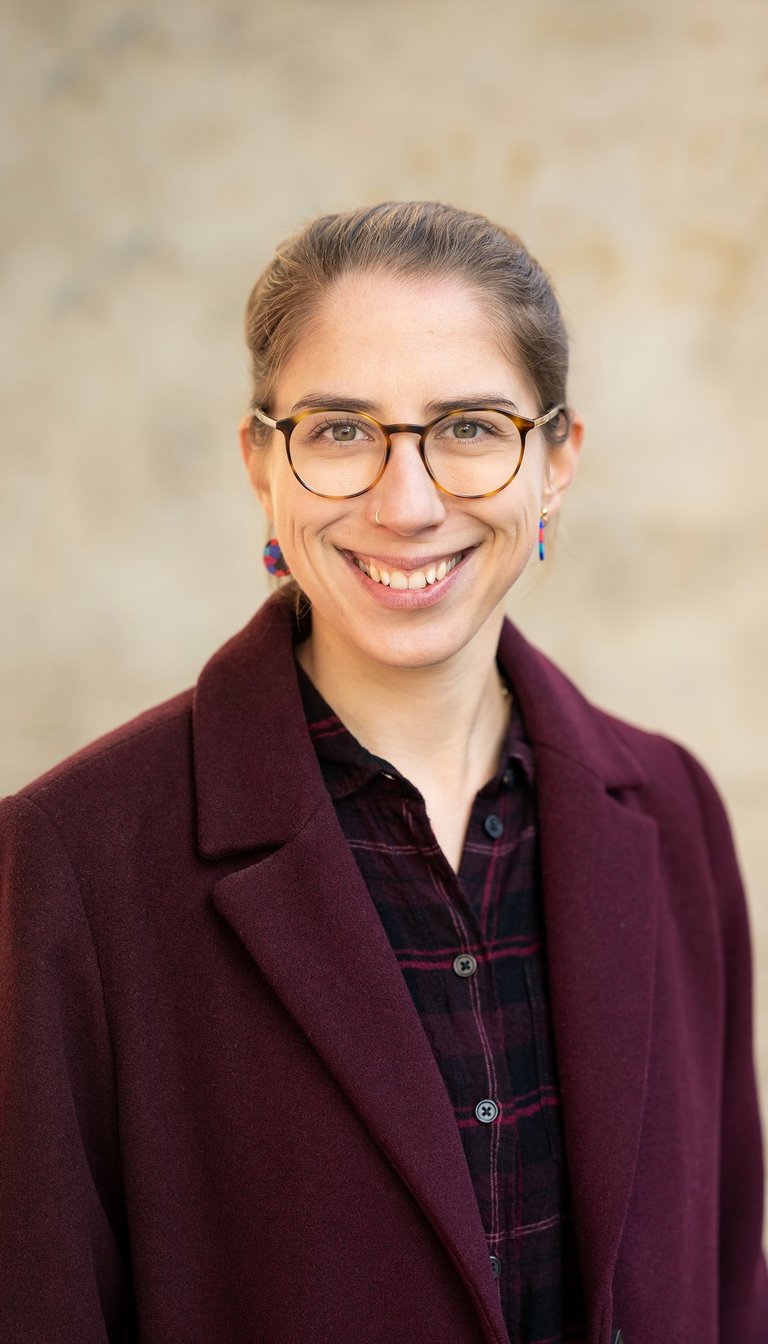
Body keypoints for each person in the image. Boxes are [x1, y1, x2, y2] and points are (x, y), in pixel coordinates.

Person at [0, 202, 766, 1344]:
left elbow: (730, 1280)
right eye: (341, 430)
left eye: (471, 427)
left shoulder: (673, 810)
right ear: (263, 463)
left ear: (557, 462)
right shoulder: (71, 861)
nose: (406, 504)